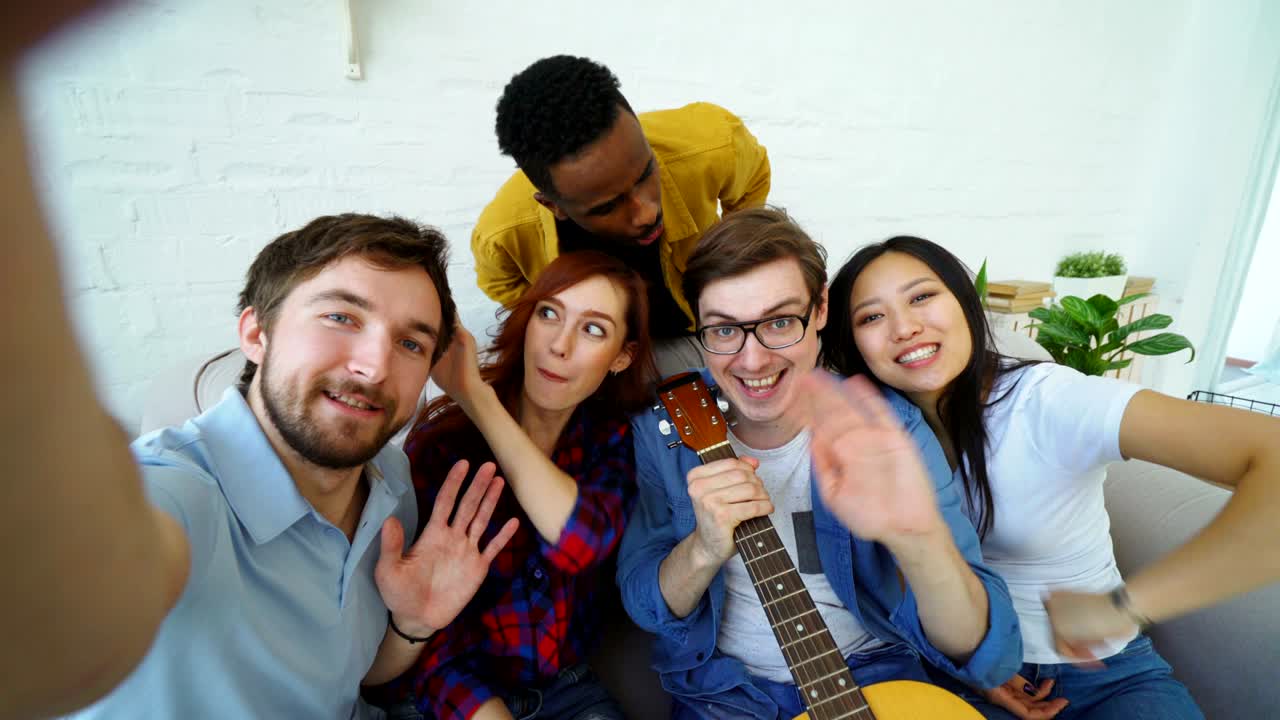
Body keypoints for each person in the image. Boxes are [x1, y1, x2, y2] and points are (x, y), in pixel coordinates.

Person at [66, 213, 520, 719]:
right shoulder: (172, 492)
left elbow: (351, 680)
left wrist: (411, 625)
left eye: (410, 344)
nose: (374, 367)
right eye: (341, 318)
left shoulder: (392, 482)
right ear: (257, 333)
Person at [822, 235, 1280, 719]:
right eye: (871, 317)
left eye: (921, 297)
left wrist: (1131, 604)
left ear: (964, 303)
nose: (904, 327)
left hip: (1107, 677)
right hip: (964, 677)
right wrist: (972, 669)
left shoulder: (1048, 401)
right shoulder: (871, 435)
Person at [616, 208, 1021, 719]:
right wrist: (702, 549)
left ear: (822, 306)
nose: (753, 361)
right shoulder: (666, 427)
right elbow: (643, 602)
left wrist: (917, 539)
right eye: (723, 331)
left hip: (873, 676)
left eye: (780, 322)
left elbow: (989, 654)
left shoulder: (884, 426)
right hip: (727, 697)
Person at [379, 251, 657, 720]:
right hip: (449, 694)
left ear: (622, 357)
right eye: (549, 314)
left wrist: (476, 398)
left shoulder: (617, 442)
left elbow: (580, 542)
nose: (559, 345)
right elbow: (418, 618)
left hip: (568, 691)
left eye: (593, 329)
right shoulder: (443, 446)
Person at [473, 54, 771, 377]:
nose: (646, 213)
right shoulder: (502, 237)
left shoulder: (713, 144)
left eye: (646, 173)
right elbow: (503, 286)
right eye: (606, 206)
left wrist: (733, 260)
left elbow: (753, 176)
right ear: (553, 206)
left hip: (698, 328)